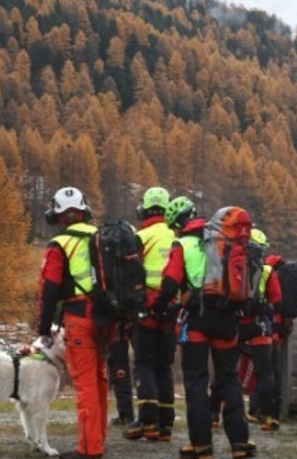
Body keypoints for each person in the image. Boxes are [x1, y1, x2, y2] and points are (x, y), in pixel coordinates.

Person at [155, 200, 257, 459]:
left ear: (178, 227)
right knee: (229, 380)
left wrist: (156, 307)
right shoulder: (226, 241)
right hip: (227, 318)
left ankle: (201, 445)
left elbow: (169, 285)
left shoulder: (183, 245)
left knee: (196, 382)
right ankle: (240, 443)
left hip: (197, 319)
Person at [37, 186, 110, 459]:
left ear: (57, 215)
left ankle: (90, 449)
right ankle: (99, 439)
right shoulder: (101, 236)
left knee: (86, 383)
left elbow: (50, 289)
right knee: (101, 379)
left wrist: (44, 328)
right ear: (84, 210)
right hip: (107, 319)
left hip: (79, 318)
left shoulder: (59, 246)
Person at [127, 187, 178, 442]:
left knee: (144, 364)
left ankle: (147, 421)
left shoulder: (141, 236)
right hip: (171, 308)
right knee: (164, 366)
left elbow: (132, 274)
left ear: (143, 209)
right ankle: (166, 425)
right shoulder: (175, 235)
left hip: (146, 307)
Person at [242, 227, 284, 431]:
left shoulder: (234, 265)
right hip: (260, 325)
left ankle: (216, 413)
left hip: (238, 323)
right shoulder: (268, 270)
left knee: (227, 368)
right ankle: (269, 416)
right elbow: (276, 299)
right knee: (265, 372)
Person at [108, 321, 135, 428]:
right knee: (119, 375)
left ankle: (126, 415)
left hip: (118, 337)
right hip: (120, 336)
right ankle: (125, 414)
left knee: (120, 376)